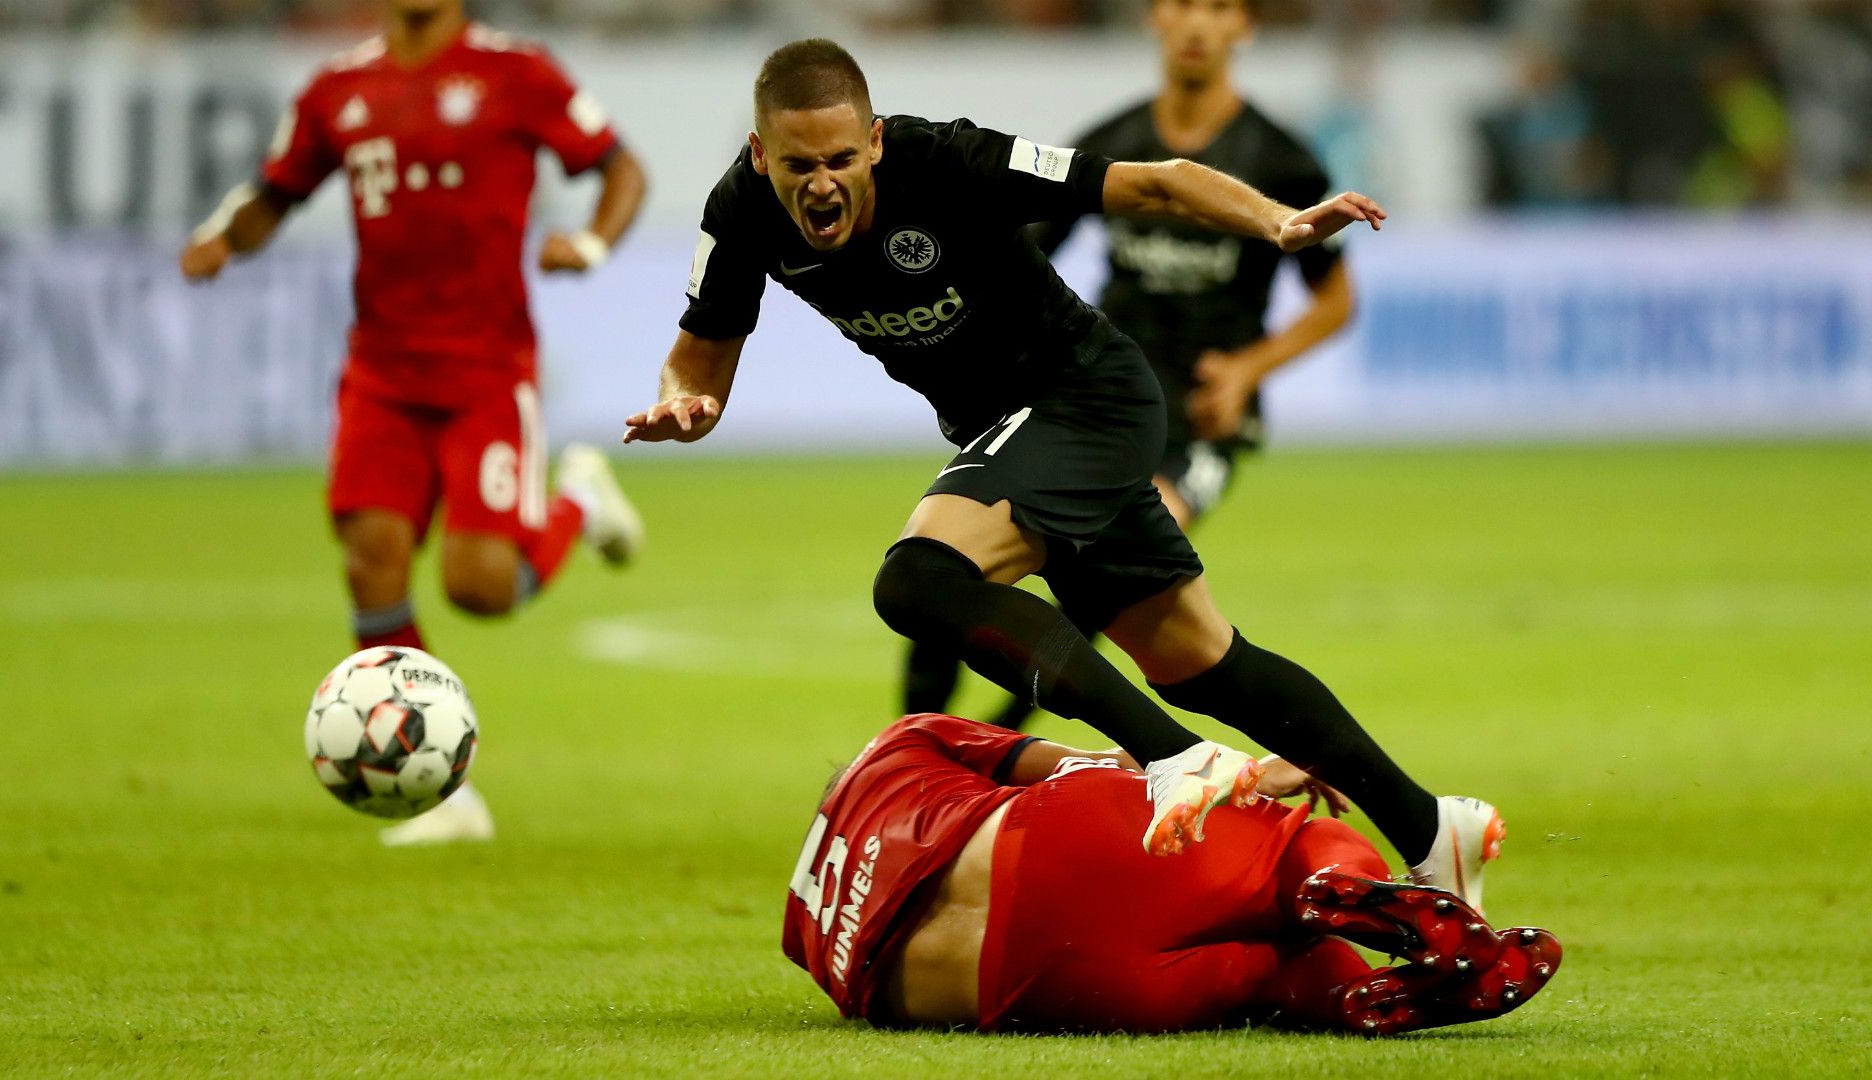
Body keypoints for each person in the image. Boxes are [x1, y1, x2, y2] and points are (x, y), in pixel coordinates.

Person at [626, 38, 1502, 905]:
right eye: (797, 164)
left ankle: (1175, 759)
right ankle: (1433, 830)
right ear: (758, 154)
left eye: (841, 158)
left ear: (878, 141)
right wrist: (687, 406)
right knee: (1204, 663)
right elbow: (699, 360)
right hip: (1015, 429)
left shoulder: (951, 158)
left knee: (920, 581)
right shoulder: (739, 212)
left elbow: (1152, 180)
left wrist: (1274, 222)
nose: (821, 183)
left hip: (1087, 396)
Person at [180, 0, 647, 845]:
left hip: (486, 375)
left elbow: (623, 170)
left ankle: (577, 502)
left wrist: (590, 244)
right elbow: (275, 189)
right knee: (371, 560)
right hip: (382, 373)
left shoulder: (519, 74)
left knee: (480, 589)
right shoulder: (338, 88)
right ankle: (444, 797)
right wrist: (222, 235)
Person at [903, 0, 1360, 731]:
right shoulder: (1115, 142)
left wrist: (1249, 370)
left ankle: (997, 735)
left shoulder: (1281, 160)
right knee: (951, 557)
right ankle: (913, 735)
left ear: (1243, 27)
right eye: (1182, 5)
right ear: (1155, 18)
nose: (1198, 25)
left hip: (1201, 417)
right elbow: (1017, 255)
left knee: (1108, 571)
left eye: (1218, 8)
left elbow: (1336, 303)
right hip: (1093, 398)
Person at [784, 713, 1561, 1034]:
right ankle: (1331, 880)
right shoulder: (897, 747)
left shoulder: (808, 944)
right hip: (1047, 854)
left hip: (1042, 987)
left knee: (1268, 981)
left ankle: (1341, 993)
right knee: (1287, 852)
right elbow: (1108, 764)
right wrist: (1257, 774)